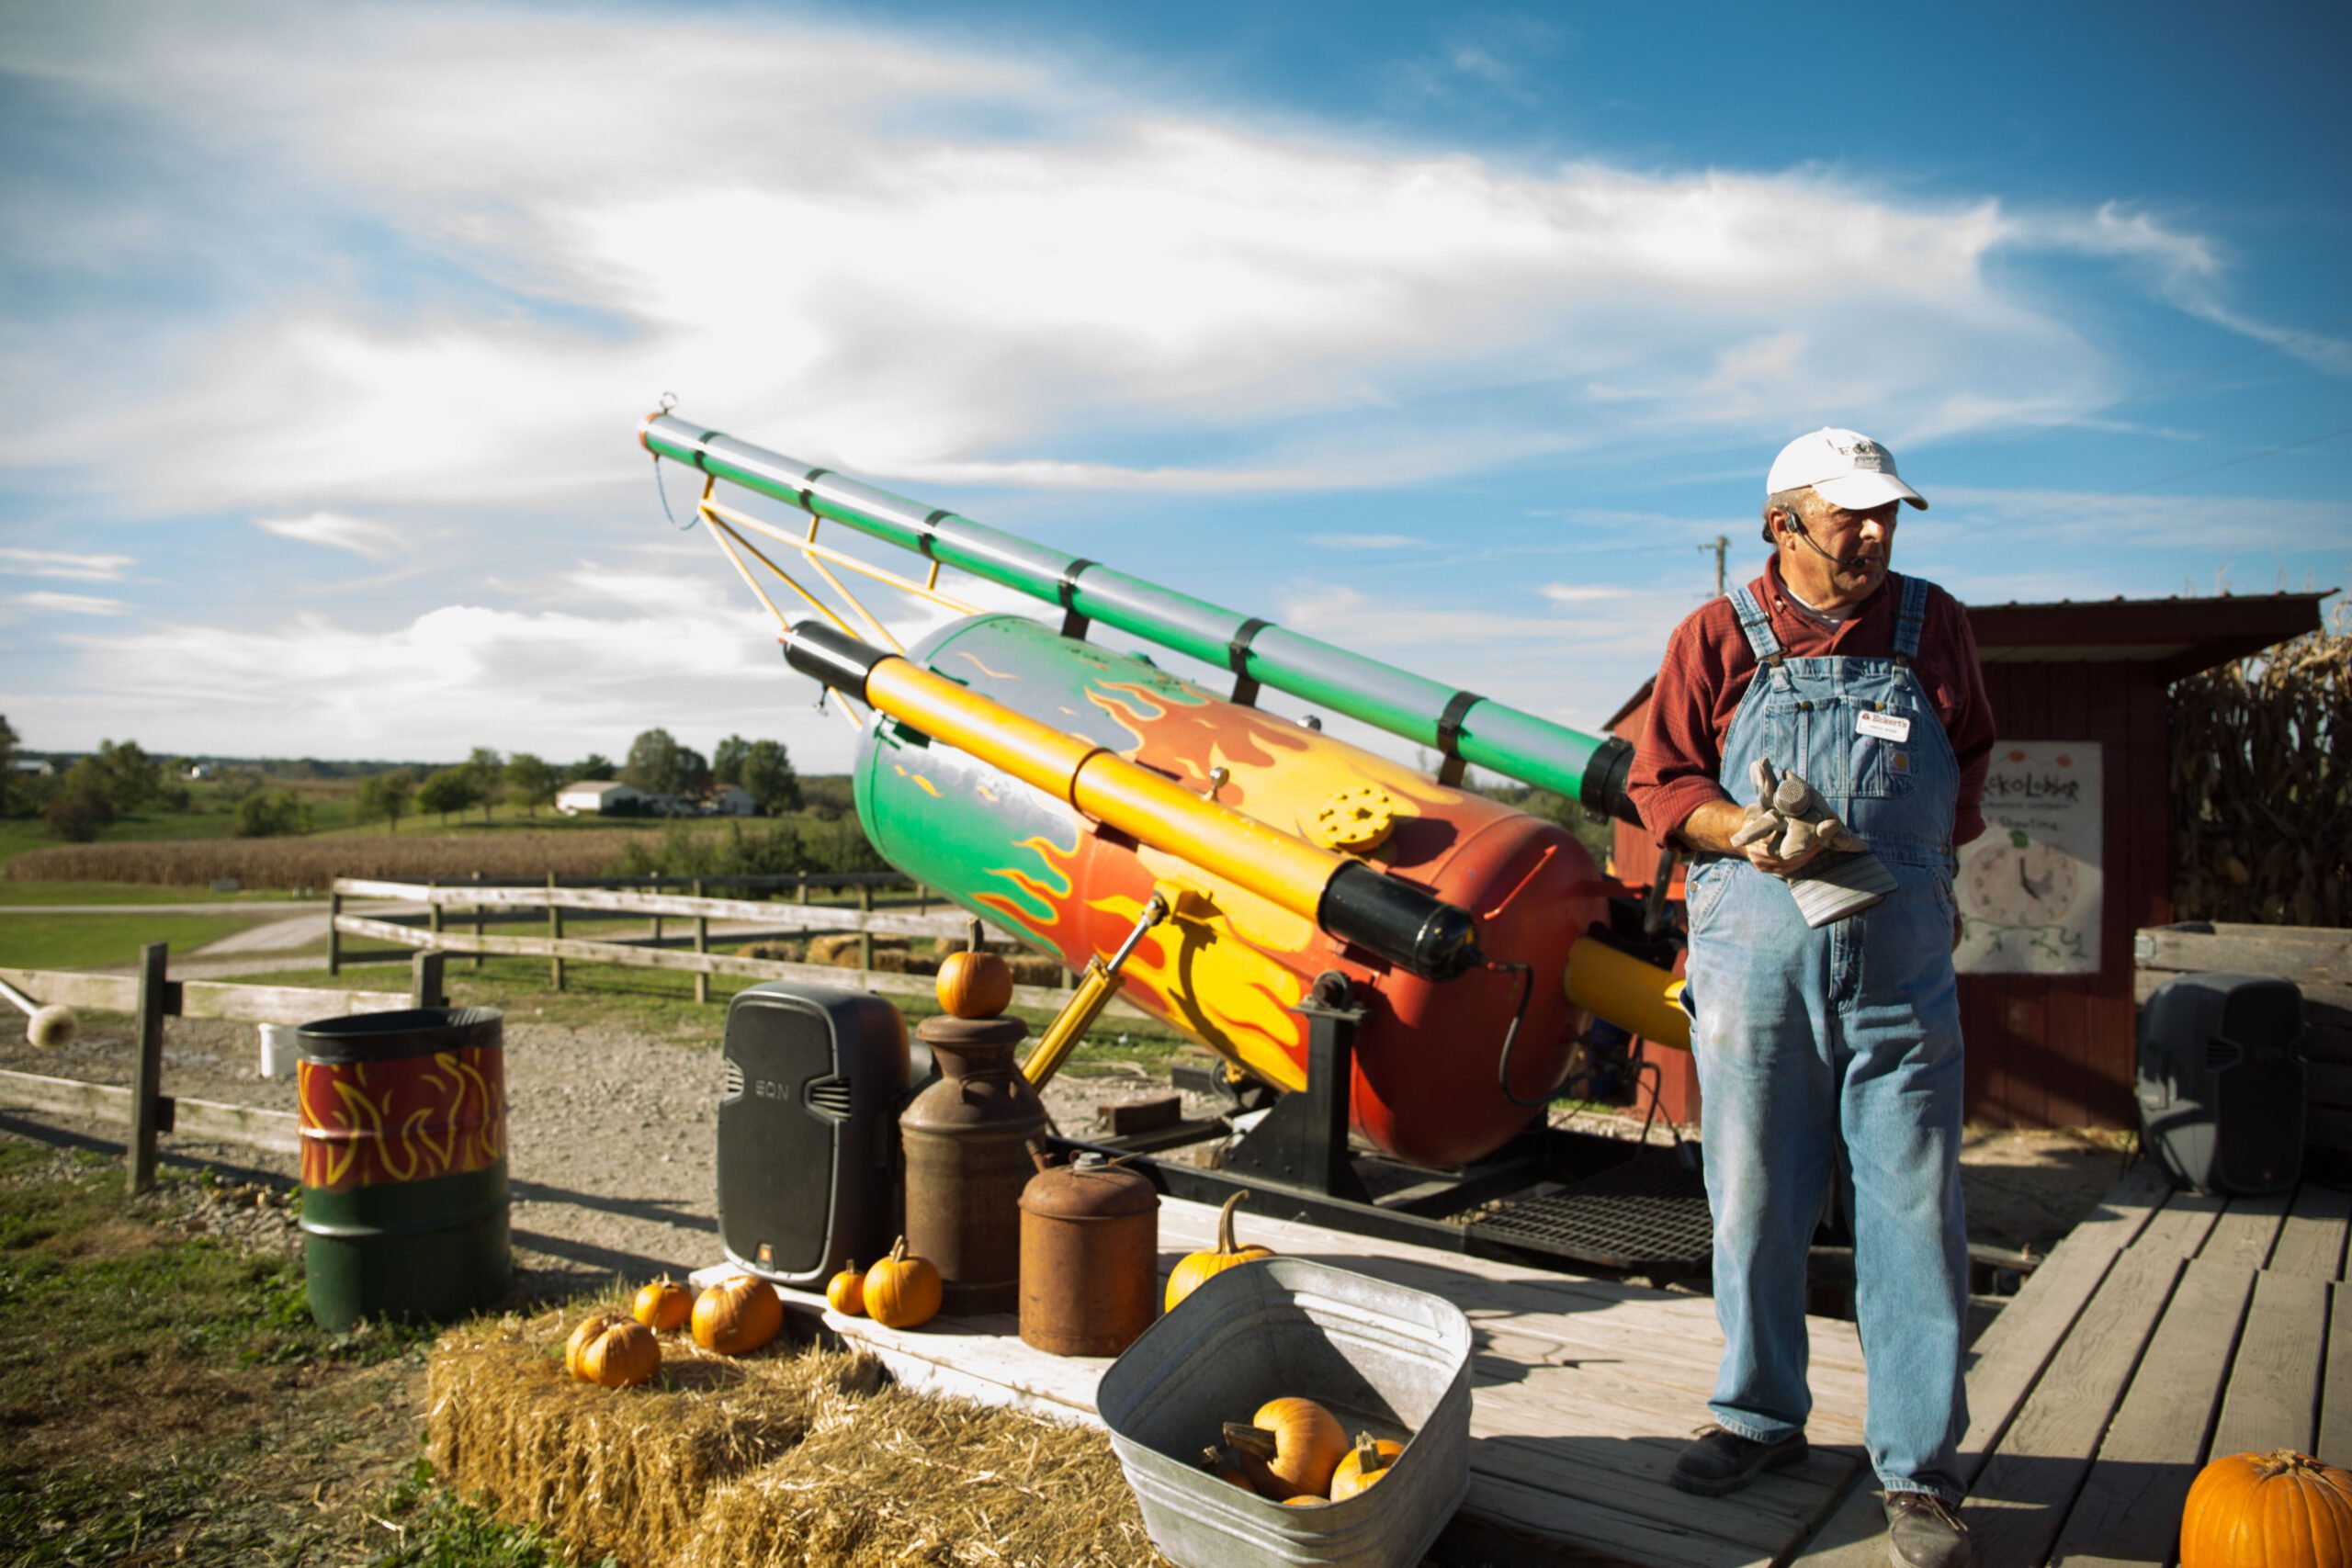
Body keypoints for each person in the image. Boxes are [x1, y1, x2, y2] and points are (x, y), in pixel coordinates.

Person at [1626, 428, 1995, 1568]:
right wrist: (1744, 830)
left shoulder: (1936, 625)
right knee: (1753, 1197)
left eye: (1888, 516)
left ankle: (1919, 1474)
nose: (1876, 536)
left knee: (1914, 1210)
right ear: (1785, 523)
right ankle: (1756, 1415)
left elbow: (1968, 761)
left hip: (1899, 967)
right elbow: (1662, 781)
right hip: (1752, 959)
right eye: (1852, 517)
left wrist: (1904, 865)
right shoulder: (1712, 635)